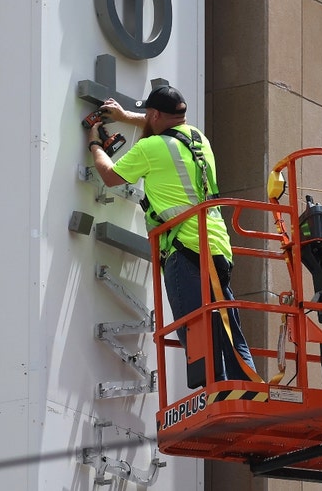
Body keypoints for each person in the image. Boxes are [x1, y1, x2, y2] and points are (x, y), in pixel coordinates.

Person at [85, 85, 257, 387]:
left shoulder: (150, 149)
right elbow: (165, 127)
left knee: (197, 331)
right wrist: (126, 116)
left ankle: (216, 394)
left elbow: (110, 177)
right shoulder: (198, 138)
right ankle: (248, 390)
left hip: (182, 247)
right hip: (216, 245)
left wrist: (95, 146)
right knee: (228, 328)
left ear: (154, 114)